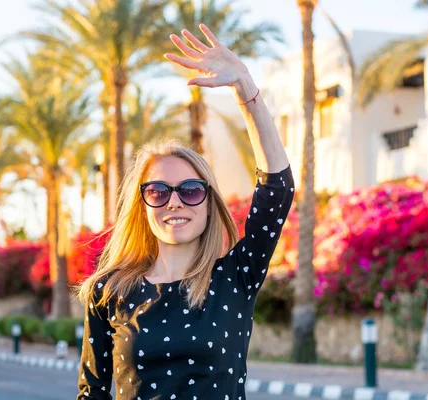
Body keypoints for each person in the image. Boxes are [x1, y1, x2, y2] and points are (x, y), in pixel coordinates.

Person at [76, 24, 294, 400]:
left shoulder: (236, 276)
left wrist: (245, 87)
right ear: (142, 207)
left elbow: (277, 189)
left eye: (191, 191)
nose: (174, 202)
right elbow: (91, 393)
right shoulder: (108, 290)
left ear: (209, 203)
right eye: (158, 191)